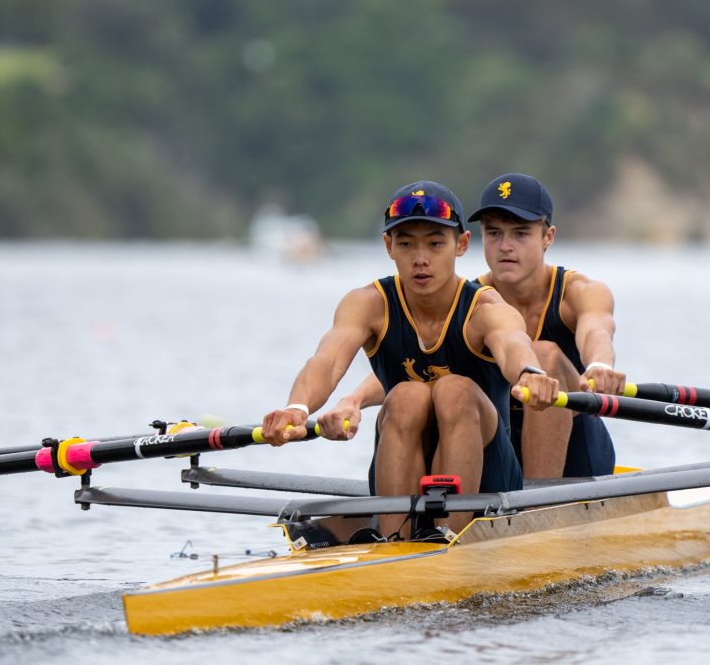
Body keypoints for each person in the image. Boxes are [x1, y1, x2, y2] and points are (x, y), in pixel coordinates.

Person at [261, 180, 561, 539]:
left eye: (435, 244)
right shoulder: (368, 303)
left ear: (461, 244)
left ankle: (449, 536)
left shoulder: (486, 307)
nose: (420, 259)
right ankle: (393, 543)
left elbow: (514, 344)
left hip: (489, 481)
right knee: (405, 395)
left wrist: (529, 373)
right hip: (398, 473)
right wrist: (297, 408)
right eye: (406, 244)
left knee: (454, 390)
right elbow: (326, 360)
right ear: (388, 246)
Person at [319, 173, 624, 480]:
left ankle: (535, 506)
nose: (505, 246)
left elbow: (596, 330)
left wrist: (600, 365)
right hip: (498, 443)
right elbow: (415, 366)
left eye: (520, 234)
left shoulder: (580, 292)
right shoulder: (472, 302)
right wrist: (353, 400)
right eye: (493, 234)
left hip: (577, 452)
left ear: (548, 237)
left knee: (543, 354)